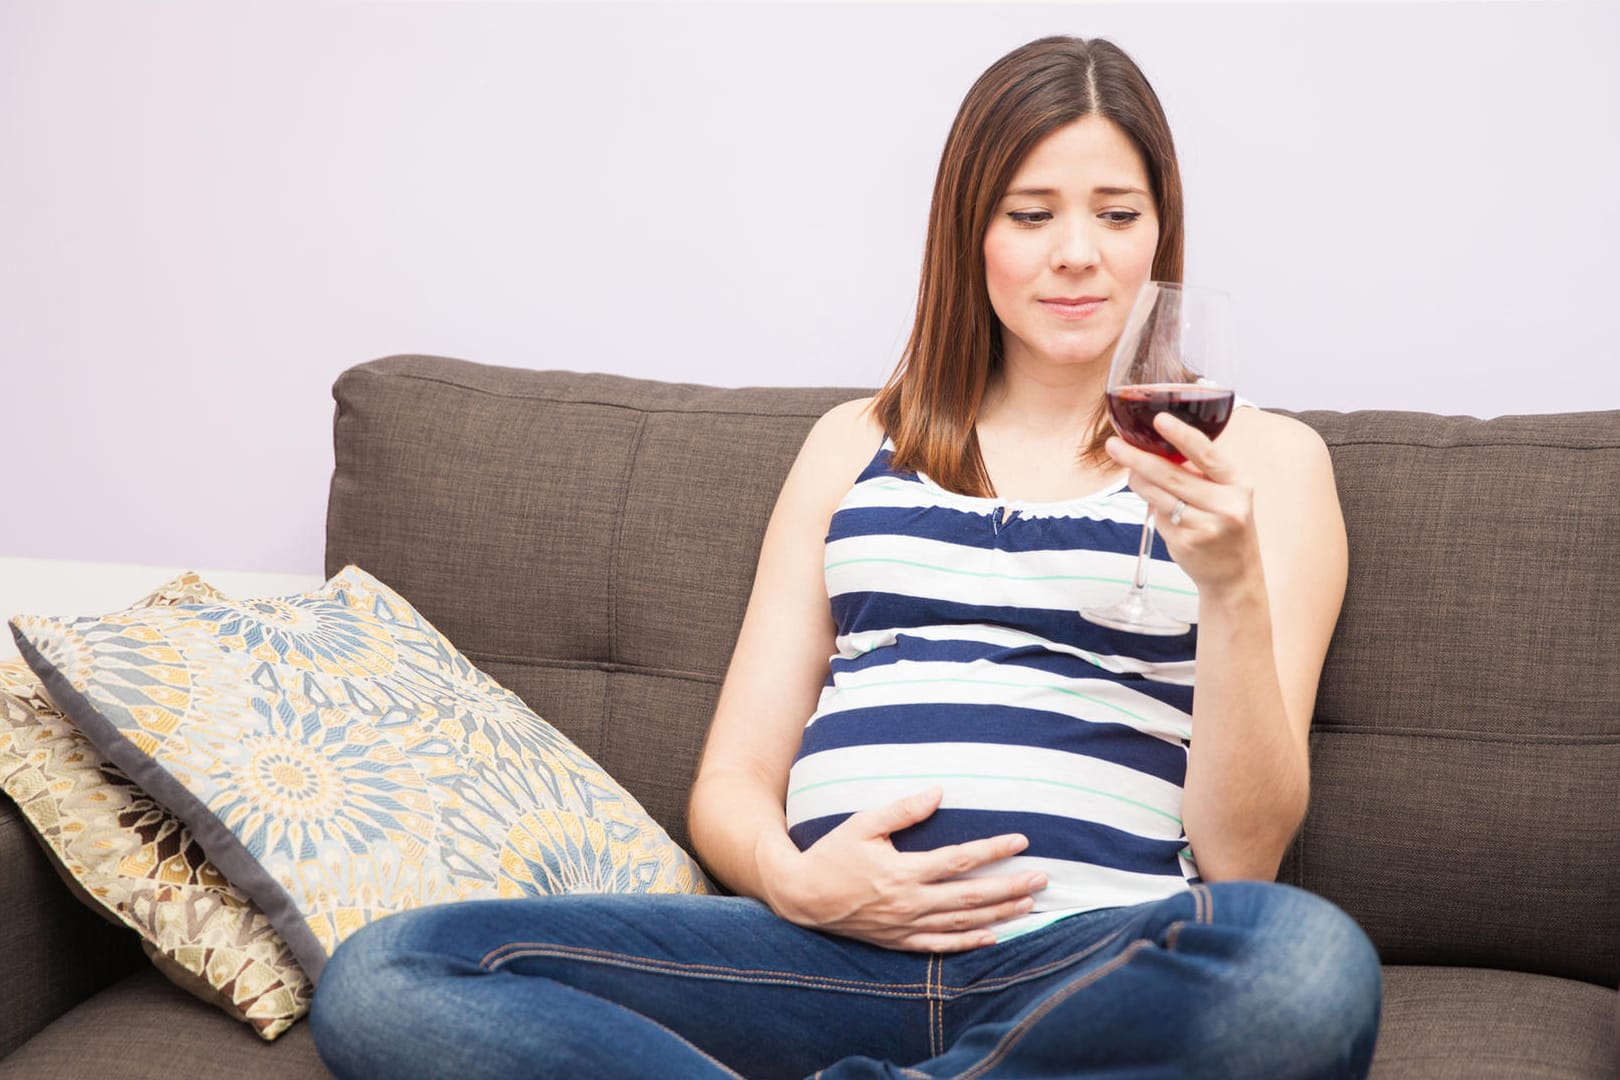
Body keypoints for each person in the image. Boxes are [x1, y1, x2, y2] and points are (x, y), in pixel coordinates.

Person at [311, 35, 1382, 1078]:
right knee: (390, 974)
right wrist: (798, 882)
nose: (1076, 253)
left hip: (1085, 964)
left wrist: (1233, 589)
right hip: (818, 959)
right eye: (1030, 214)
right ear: (972, 230)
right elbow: (732, 780)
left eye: (1117, 214)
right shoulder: (854, 443)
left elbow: (1244, 859)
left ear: (1161, 232)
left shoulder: (1267, 467)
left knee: (1304, 967)